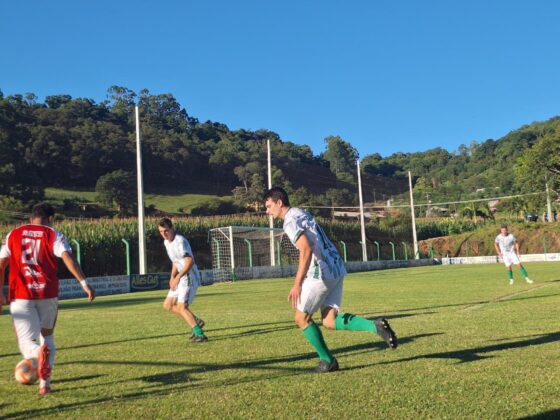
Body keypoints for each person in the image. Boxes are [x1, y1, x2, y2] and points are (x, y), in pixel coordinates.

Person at [264, 187, 397, 373]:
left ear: (279, 203)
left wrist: (297, 284)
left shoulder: (290, 221)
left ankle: (327, 361)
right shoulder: (302, 213)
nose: (267, 211)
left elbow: (306, 249)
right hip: (336, 266)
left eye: (269, 206)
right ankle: (375, 326)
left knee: (301, 318)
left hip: (321, 272)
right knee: (329, 320)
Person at [0, 203, 95, 395]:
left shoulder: (13, 234)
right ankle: (45, 385)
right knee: (48, 336)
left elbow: (2, 263)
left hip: (21, 294)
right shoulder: (53, 234)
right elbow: (67, 257)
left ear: (31, 218)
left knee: (25, 341)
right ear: (50, 218)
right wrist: (84, 283)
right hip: (48, 293)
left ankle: (37, 354)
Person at [157, 218, 207, 343]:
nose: (163, 234)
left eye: (166, 231)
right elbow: (175, 261)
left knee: (181, 307)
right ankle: (196, 321)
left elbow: (190, 262)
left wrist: (178, 277)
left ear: (172, 228)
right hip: (180, 277)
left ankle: (200, 334)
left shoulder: (180, 241)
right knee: (167, 305)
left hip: (189, 276)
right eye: (161, 231)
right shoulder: (166, 242)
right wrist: (172, 277)